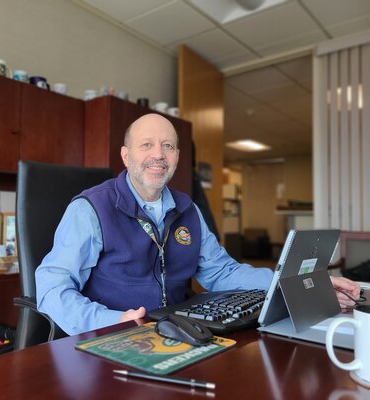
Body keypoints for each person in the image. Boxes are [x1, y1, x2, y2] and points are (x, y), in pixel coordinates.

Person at [36, 113, 360, 335]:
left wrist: (295, 280)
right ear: (125, 155)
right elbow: (52, 290)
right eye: (146, 144)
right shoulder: (90, 209)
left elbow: (221, 272)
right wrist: (112, 321)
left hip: (178, 332)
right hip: (111, 338)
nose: (158, 154)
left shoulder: (188, 209)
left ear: (177, 156)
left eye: (168, 146)